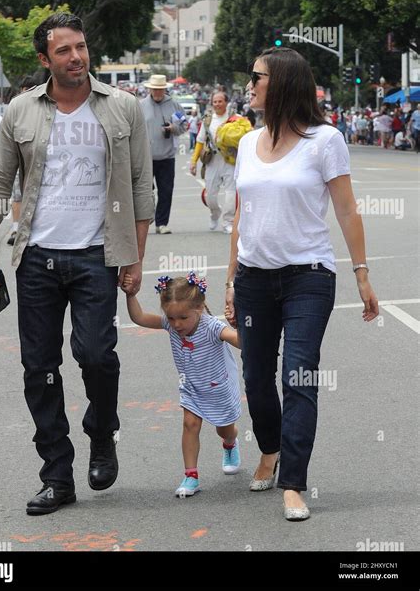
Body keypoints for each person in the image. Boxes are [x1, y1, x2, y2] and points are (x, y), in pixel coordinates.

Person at [0, 12, 154, 515]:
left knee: (97, 356)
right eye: (64, 51)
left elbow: (141, 186)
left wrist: (134, 257)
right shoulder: (20, 112)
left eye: (81, 47)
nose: (77, 57)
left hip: (98, 256)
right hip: (37, 259)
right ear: (44, 59)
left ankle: (101, 432)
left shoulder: (122, 108)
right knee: (40, 369)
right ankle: (56, 474)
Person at [225, 47, 379, 521]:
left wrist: (362, 272)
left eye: (258, 77)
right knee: (255, 376)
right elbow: (239, 217)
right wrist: (229, 280)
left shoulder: (325, 140)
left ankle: (293, 480)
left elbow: (347, 210)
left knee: (299, 376)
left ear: (284, 83)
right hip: (253, 278)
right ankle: (269, 448)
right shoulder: (248, 142)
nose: (249, 84)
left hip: (308, 278)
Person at [123, 271, 242, 496]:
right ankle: (191, 476)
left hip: (218, 387)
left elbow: (239, 341)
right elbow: (139, 317)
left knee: (224, 429)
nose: (176, 324)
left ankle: (230, 442)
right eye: (171, 318)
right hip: (191, 387)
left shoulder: (212, 327)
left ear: (198, 309)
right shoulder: (170, 326)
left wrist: (243, 322)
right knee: (190, 424)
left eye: (183, 318)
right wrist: (130, 295)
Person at [140, 75, 187, 235]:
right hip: (146, 157)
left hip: (167, 157)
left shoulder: (174, 105)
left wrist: (173, 128)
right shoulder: (141, 105)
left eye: (160, 89)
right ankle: (146, 218)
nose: (158, 92)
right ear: (150, 89)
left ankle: (162, 223)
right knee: (145, 192)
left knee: (166, 191)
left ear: (165, 89)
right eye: (155, 89)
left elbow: (184, 126)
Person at [190, 92, 237, 234]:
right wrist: (193, 161)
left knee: (231, 192)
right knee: (210, 196)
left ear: (226, 102)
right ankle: (215, 214)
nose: (217, 104)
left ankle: (228, 221)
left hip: (230, 160)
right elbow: (199, 141)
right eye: (215, 101)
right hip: (212, 160)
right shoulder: (208, 120)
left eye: (220, 101)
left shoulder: (235, 118)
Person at [7, 75, 38, 246]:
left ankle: (33, 228)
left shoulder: (45, 108)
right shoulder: (16, 110)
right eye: (22, 94)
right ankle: (16, 229)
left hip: (38, 161)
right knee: (17, 195)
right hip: (20, 160)